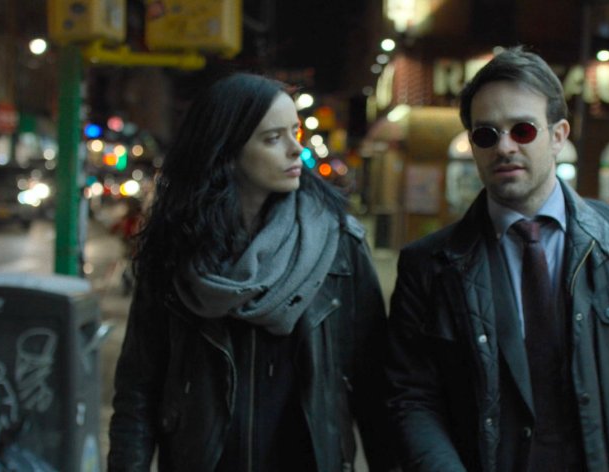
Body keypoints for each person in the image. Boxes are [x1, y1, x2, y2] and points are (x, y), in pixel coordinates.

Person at [385, 46, 609, 472]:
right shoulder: (429, 265)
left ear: (558, 135)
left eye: (522, 130)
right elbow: (412, 397)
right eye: (486, 135)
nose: (504, 147)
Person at [108, 73, 395, 471]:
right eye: (273, 138)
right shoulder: (177, 250)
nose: (297, 150)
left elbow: (373, 387)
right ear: (226, 149)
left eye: (294, 132)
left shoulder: (338, 245)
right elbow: (139, 388)